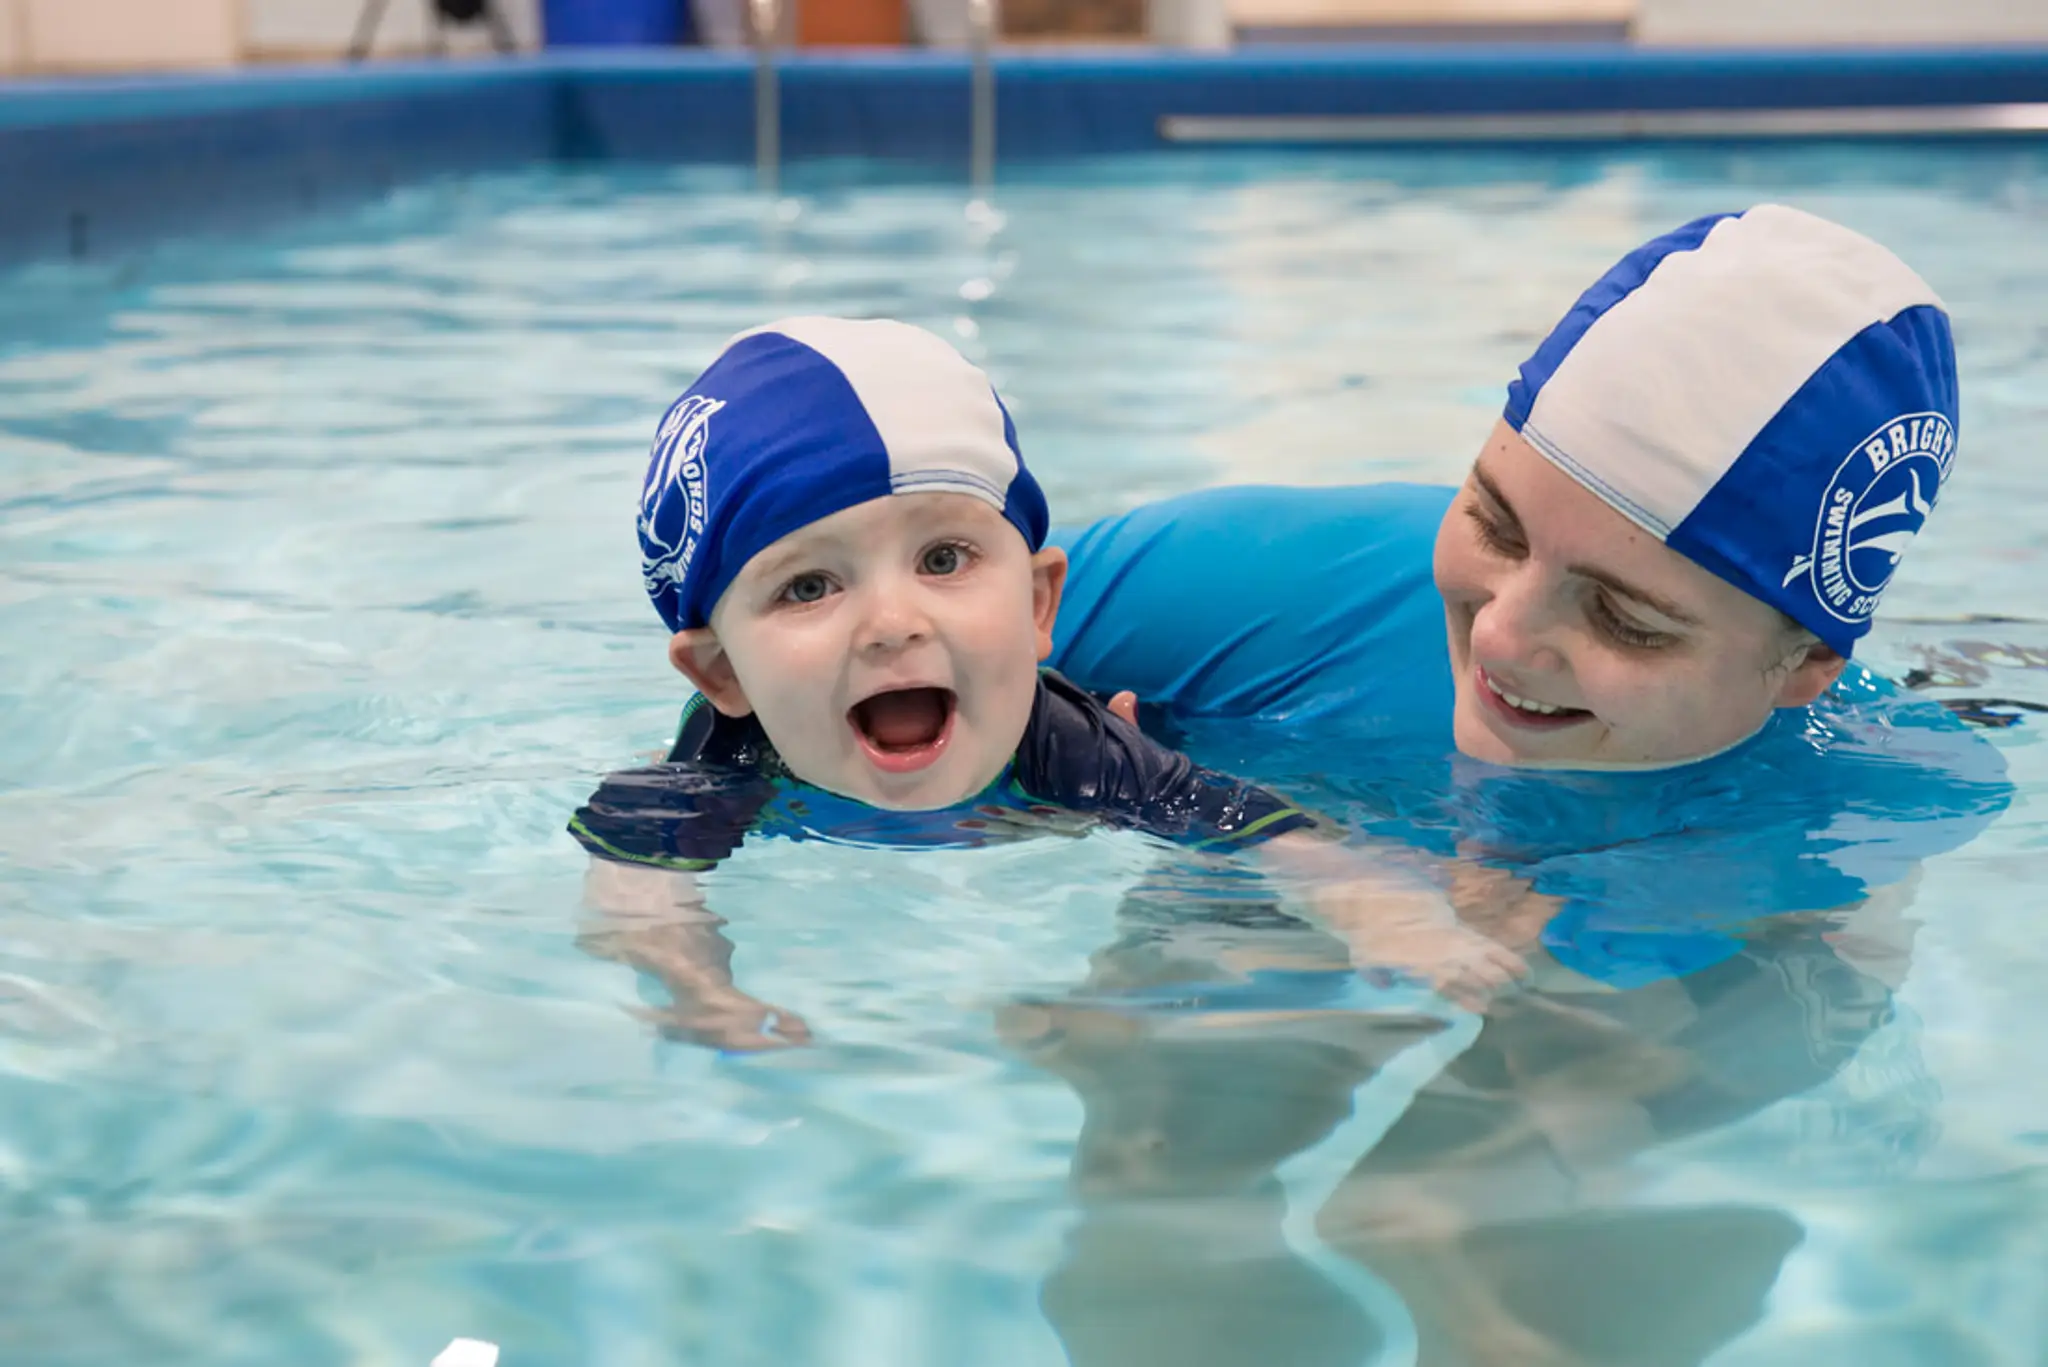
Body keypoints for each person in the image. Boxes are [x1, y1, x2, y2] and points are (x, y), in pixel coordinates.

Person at [1020, 205, 2015, 1366]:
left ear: (1800, 668)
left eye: (1622, 618)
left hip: (1667, 970)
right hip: (1283, 876)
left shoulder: (1854, 810)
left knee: (1476, 1225)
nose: (1500, 632)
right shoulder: (1265, 587)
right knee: (1153, 1181)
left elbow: (1714, 1032)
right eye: (1493, 521)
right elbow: (837, 678)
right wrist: (1049, 781)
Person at [569, 316, 1521, 1052]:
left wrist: (1383, 906)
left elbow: (1252, 824)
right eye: (810, 586)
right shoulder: (720, 763)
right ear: (723, 671)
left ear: (1036, 606)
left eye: (944, 558)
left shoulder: (1059, 738)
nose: (895, 621)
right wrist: (706, 996)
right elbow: (635, 898)